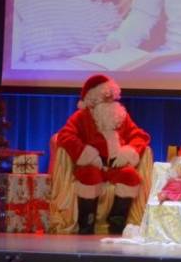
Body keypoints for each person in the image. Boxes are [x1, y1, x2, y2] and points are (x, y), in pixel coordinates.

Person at [55, 74, 151, 235]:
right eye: (106, 97)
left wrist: (128, 152)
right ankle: (87, 223)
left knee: (130, 176)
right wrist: (88, 155)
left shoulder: (121, 115)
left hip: (115, 166)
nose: (110, 101)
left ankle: (117, 222)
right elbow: (65, 136)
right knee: (89, 177)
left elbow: (140, 136)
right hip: (93, 165)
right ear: (93, 99)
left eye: (112, 97)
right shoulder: (81, 117)